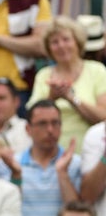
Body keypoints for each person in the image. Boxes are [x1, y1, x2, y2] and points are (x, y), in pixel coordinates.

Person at [28, 16, 106, 150]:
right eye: (55, 42)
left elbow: (103, 117)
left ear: (77, 42)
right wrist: (51, 98)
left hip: (91, 149)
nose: (61, 46)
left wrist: (71, 98)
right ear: (49, 48)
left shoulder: (97, 70)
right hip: (52, 151)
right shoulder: (43, 75)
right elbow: (32, 118)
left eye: (66, 39)